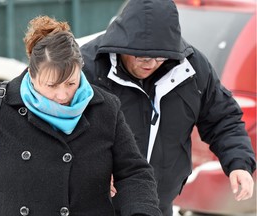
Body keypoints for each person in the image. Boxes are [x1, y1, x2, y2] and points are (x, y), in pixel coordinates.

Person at [0, 15, 163, 216]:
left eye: (71, 83)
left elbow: (134, 173)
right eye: (51, 85)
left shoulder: (105, 108)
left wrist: (142, 212)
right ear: (32, 75)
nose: (62, 96)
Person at [80, 0, 256, 215]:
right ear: (122, 44)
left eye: (160, 56)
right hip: (94, 204)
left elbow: (223, 119)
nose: (151, 63)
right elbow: (53, 128)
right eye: (141, 56)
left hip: (157, 203)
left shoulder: (191, 68)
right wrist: (91, 167)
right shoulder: (86, 68)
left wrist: (238, 162)